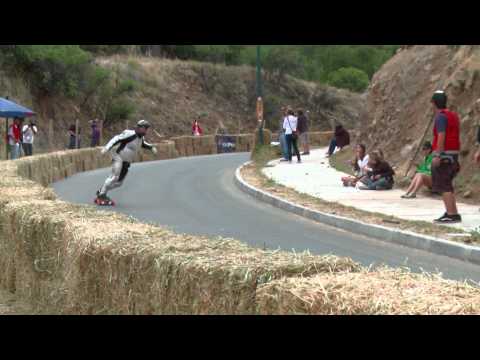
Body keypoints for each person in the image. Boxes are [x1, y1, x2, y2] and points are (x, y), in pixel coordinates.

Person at [95, 120, 158, 205]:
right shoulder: (130, 134)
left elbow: (143, 144)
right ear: (140, 128)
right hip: (118, 157)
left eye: (147, 129)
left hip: (126, 161)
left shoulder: (141, 138)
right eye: (145, 129)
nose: (146, 131)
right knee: (114, 177)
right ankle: (102, 195)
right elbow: (116, 139)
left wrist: (151, 147)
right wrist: (106, 148)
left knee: (119, 183)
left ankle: (102, 190)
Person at [430, 90, 462, 223]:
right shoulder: (452, 115)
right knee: (447, 184)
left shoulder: (441, 117)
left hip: (445, 155)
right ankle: (452, 212)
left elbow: (441, 136)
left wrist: (438, 155)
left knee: (444, 185)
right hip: (453, 154)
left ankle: (451, 214)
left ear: (434, 103)